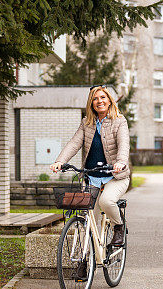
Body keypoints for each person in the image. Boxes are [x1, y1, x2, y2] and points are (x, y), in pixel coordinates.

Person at [51, 85, 130, 247]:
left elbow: (124, 144)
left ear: (109, 101)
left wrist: (120, 162)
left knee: (106, 202)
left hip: (115, 176)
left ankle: (118, 226)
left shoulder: (119, 121)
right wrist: (60, 160)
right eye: (95, 99)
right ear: (91, 103)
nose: (99, 101)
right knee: (85, 219)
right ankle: (85, 260)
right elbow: (74, 143)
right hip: (91, 178)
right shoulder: (86, 123)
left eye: (102, 97)